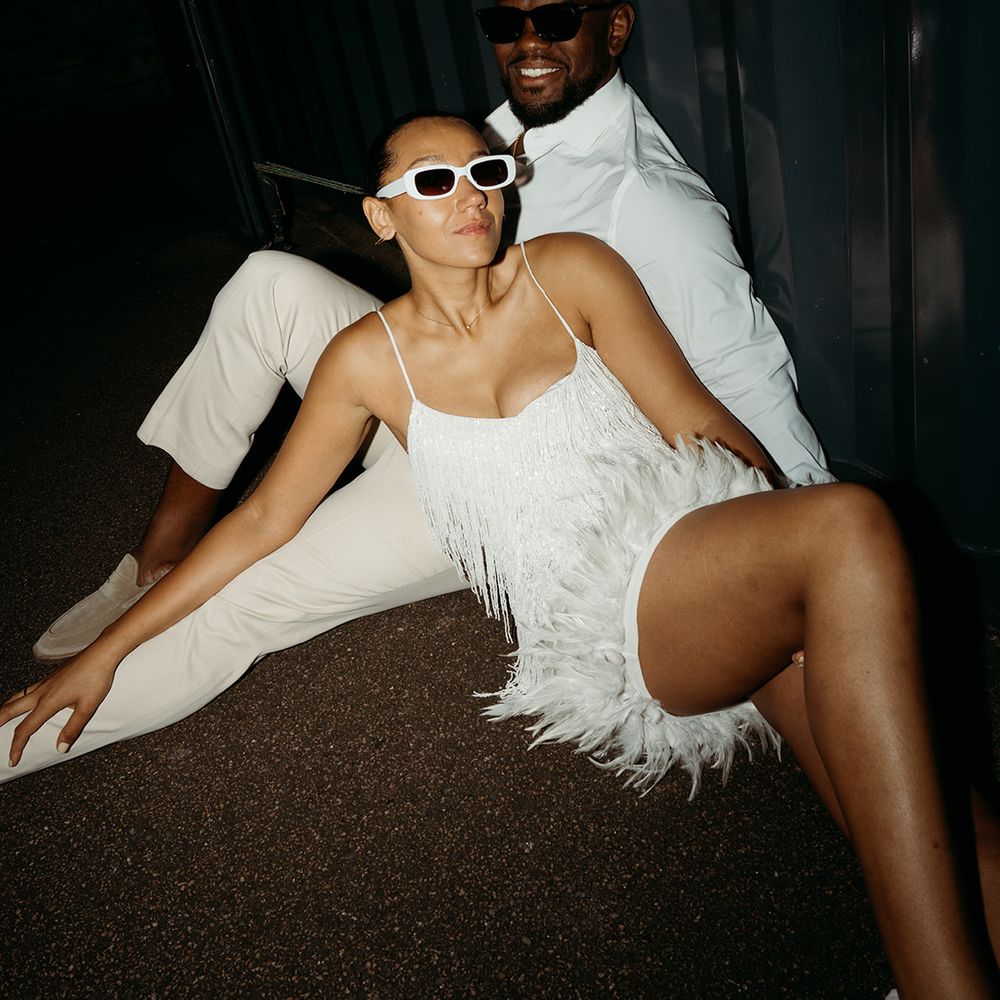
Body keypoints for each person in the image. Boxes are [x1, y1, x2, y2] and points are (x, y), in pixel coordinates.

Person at [5, 110, 999, 998]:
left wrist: (770, 560)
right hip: (606, 609)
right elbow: (263, 522)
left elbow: (697, 423)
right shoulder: (365, 361)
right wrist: (104, 652)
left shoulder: (570, 268)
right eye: (433, 182)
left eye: (485, 174)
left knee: (920, 797)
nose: (471, 197)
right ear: (382, 217)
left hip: (692, 542)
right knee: (850, 527)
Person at [21, 1, 829, 777]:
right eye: (505, 23)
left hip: (524, 460)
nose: (525, 43)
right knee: (267, 281)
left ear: (615, 29)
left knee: (251, 597)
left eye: (551, 21)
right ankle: (162, 561)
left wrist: (790, 539)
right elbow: (425, 236)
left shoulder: (644, 203)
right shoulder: (497, 130)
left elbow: (732, 375)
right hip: (428, 382)